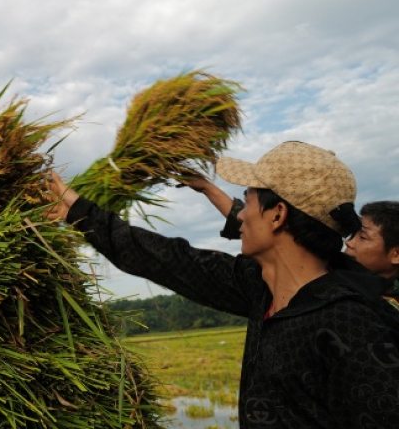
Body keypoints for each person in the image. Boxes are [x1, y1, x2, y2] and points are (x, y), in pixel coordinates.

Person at [47, 141, 399, 427]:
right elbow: (166, 258)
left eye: (246, 200)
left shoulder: (356, 326)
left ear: (277, 215)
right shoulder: (259, 288)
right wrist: (75, 210)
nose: (240, 214)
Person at [186, 177, 399, 306]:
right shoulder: (334, 272)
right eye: (352, 235)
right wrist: (207, 188)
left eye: (363, 237)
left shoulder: (375, 311)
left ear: (396, 254)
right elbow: (258, 226)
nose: (350, 244)